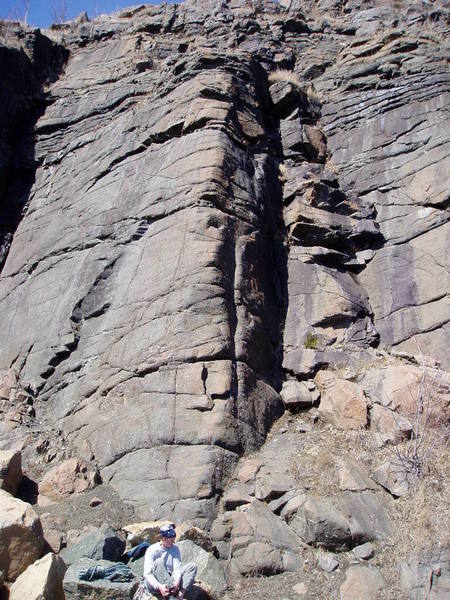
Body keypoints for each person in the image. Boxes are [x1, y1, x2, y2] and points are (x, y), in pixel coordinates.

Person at [134, 523, 197, 600]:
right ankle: (170, 596)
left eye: (174, 539)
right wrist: (159, 586)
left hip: (170, 579)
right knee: (159, 561)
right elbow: (147, 574)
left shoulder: (175, 549)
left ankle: (179, 595)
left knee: (191, 567)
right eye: (170, 540)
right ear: (163, 538)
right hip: (155, 582)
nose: (173, 542)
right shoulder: (152, 549)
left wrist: (176, 583)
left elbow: (177, 569)